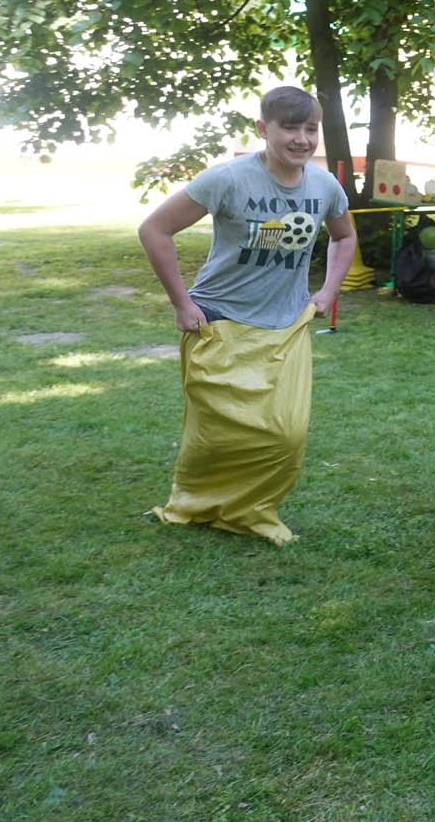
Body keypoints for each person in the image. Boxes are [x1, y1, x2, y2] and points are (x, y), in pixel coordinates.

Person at [137, 85, 356, 544]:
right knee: (215, 434)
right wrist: (181, 303)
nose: (302, 139)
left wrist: (328, 291)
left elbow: (344, 236)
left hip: (286, 326)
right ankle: (198, 505)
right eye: (289, 128)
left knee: (286, 434)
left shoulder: (324, 186)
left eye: (310, 129)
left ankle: (253, 509)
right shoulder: (227, 179)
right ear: (263, 129)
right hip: (218, 320)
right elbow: (155, 229)